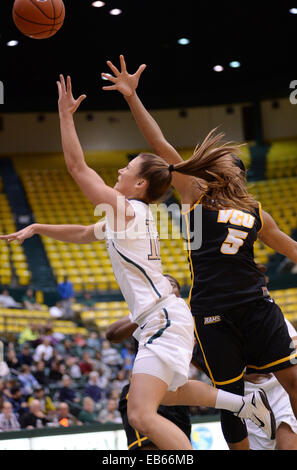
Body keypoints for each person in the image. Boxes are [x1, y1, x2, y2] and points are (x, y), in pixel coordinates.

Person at [0, 74, 276, 449]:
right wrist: (37, 227)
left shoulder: (128, 211)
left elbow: (78, 169)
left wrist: (65, 116)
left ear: (140, 184)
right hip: (164, 316)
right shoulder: (125, 217)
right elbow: (83, 234)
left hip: (161, 316)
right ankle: (245, 404)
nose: (119, 171)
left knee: (141, 412)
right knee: (171, 392)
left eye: (126, 169)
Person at [101, 55, 297, 449]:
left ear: (234, 172)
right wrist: (132, 97)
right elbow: (160, 143)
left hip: (257, 305)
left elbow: (293, 250)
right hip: (211, 312)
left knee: (294, 381)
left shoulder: (257, 212)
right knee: (232, 402)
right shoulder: (194, 196)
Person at [106, 274, 192, 450]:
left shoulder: (186, 317)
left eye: (172, 285)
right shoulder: (144, 312)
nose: (167, 287)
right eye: (162, 284)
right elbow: (112, 334)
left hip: (176, 394)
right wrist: (144, 313)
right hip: (145, 389)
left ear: (178, 293)